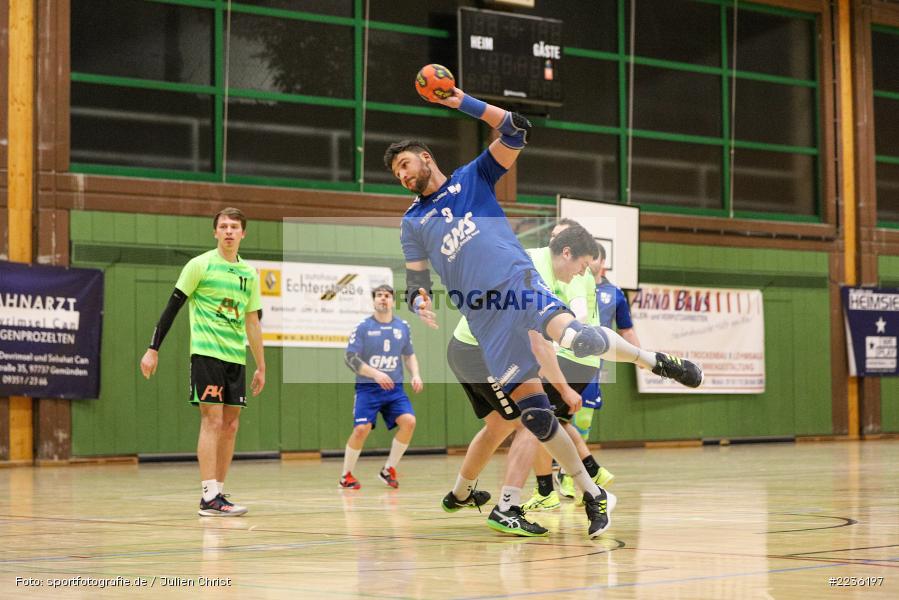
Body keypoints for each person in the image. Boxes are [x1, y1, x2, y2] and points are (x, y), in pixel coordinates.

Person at [386, 85, 703, 537]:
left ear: (426, 157)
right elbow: (415, 275)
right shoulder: (412, 222)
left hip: (518, 286)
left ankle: (660, 362)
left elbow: (516, 128)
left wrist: (461, 102)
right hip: (485, 319)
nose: (401, 174)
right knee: (535, 417)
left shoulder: (470, 178)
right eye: (396, 172)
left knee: (583, 339)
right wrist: (416, 297)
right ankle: (592, 495)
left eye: (404, 164)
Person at [445, 223, 607, 536]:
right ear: (567, 253)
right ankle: (507, 508)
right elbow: (538, 345)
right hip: (480, 353)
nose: (580, 275)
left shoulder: (532, 257)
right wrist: (564, 389)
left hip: (465, 346)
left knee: (498, 426)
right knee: (530, 420)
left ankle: (461, 493)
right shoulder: (537, 278)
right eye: (582, 267)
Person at [140, 207, 265, 517]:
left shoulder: (249, 274)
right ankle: (208, 495)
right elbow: (172, 308)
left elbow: (252, 322)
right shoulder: (199, 265)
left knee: (231, 425)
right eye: (223, 226)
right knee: (212, 420)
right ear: (215, 232)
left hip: (236, 358)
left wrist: (261, 365)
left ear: (243, 233)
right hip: (206, 354)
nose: (228, 231)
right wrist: (152, 348)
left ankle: (219, 493)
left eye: (234, 226)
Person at [557, 236, 641, 500]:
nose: (590, 262)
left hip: (590, 363)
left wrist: (641, 358)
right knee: (559, 417)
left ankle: (568, 472)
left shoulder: (614, 293)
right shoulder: (566, 281)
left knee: (580, 417)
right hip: (561, 357)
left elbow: (626, 329)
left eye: (595, 258)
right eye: (587, 257)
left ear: (603, 262)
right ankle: (570, 473)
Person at [340, 284, 423, 490]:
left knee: (409, 422)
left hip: (394, 390)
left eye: (387, 296)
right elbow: (350, 358)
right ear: (373, 300)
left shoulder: (403, 326)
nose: (383, 299)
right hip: (368, 389)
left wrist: (416, 375)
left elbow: (409, 354)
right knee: (361, 429)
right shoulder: (363, 327)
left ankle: (388, 469)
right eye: (379, 295)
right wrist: (376, 374)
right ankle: (346, 476)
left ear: (392, 301)